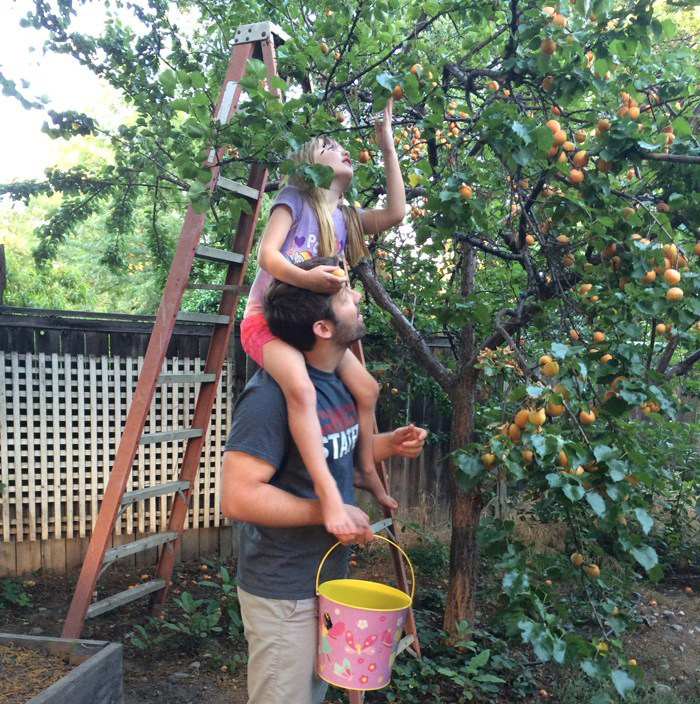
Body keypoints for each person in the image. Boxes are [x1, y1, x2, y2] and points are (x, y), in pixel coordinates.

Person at [221, 257, 427, 704]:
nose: (356, 297)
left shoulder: (331, 380)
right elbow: (237, 497)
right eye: (344, 297)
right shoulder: (269, 397)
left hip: (324, 581)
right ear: (323, 329)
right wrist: (326, 511)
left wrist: (390, 443)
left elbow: (337, 450)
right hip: (283, 593)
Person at [239, 97, 406, 542]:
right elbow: (267, 255)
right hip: (266, 323)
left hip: (312, 327)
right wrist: (307, 282)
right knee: (298, 386)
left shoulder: (345, 218)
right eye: (330, 146)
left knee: (367, 387)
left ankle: (366, 470)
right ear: (310, 164)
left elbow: (395, 214)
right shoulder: (294, 198)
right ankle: (331, 496)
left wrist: (387, 146)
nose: (343, 150)